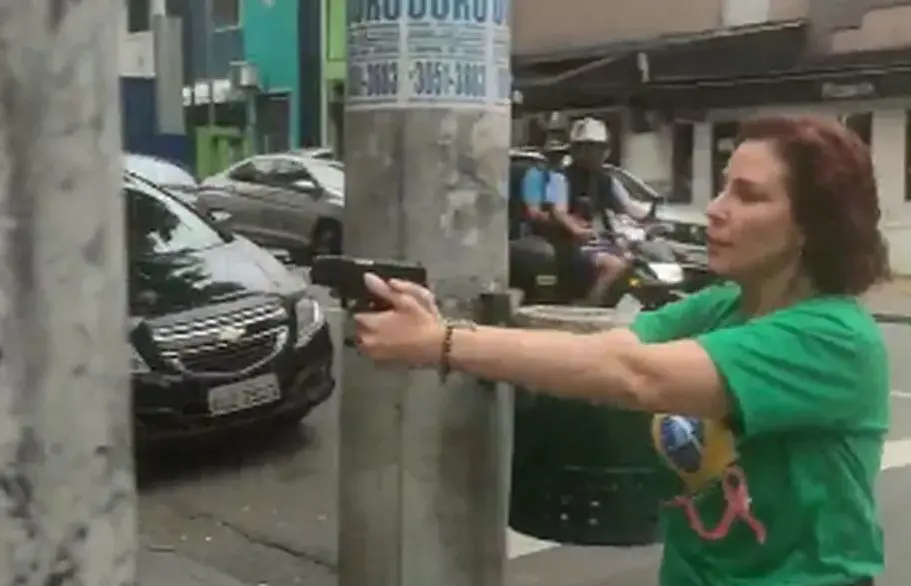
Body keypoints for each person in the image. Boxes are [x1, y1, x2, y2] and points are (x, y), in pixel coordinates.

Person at [353, 115, 890, 586]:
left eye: (749, 196)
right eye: (724, 188)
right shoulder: (722, 305)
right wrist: (442, 327)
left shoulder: (833, 338)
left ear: (810, 226)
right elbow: (609, 348)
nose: (715, 210)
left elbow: (635, 376)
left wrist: (441, 343)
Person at [564, 117, 647, 301]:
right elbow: (557, 213)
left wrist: (651, 217)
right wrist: (575, 227)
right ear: (576, 150)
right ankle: (589, 308)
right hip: (574, 244)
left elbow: (627, 207)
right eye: (588, 147)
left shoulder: (606, 180)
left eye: (599, 147)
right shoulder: (562, 178)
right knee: (614, 266)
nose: (594, 153)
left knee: (640, 261)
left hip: (603, 241)